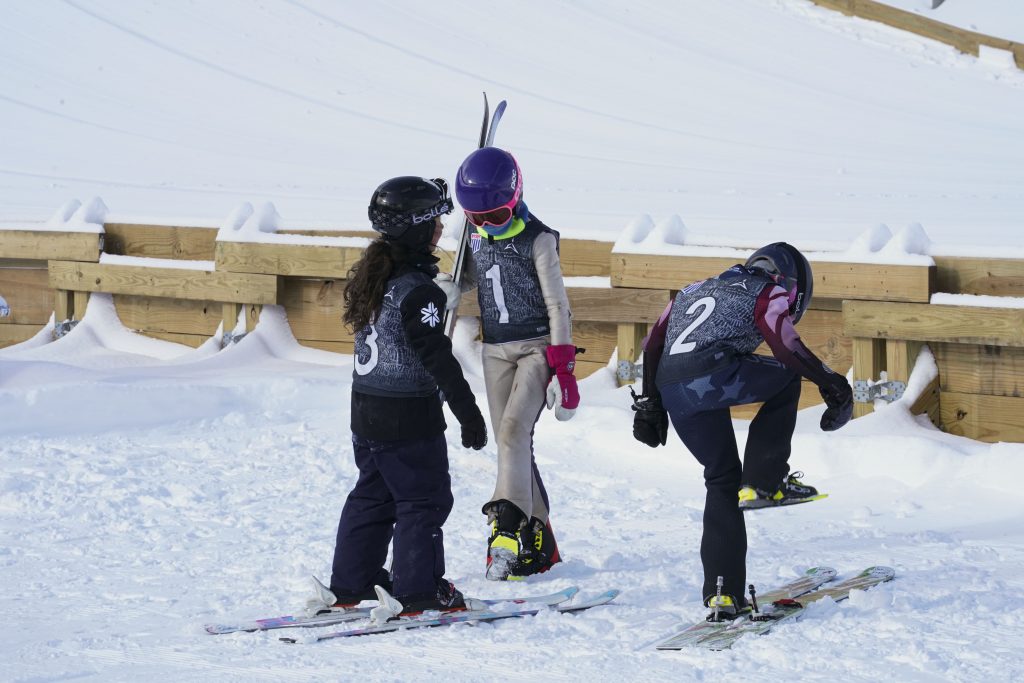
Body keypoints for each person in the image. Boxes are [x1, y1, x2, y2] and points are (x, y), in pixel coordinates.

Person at [630, 242, 853, 619]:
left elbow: (653, 343)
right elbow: (785, 345)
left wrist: (650, 403)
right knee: (787, 379)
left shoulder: (693, 288)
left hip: (672, 384)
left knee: (721, 479)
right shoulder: (770, 291)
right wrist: (832, 383)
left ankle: (722, 593)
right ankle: (765, 481)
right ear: (795, 286)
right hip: (710, 372)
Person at [317, 175, 489, 615]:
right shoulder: (418, 291)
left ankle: (352, 582)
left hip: (366, 410)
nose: (439, 230)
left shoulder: (377, 277)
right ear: (414, 228)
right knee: (423, 498)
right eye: (433, 222)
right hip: (407, 416)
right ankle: (419, 590)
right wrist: (469, 414)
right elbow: (438, 358)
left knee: (374, 493)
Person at [451, 147, 577, 581]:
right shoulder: (474, 235)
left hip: (535, 347)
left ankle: (504, 529)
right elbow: (469, 275)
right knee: (512, 446)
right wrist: (447, 288)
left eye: (497, 216)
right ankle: (539, 537)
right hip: (494, 350)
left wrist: (564, 369)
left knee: (511, 432)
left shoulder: (538, 240)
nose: (487, 225)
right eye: (477, 218)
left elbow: (559, 307)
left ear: (517, 197)